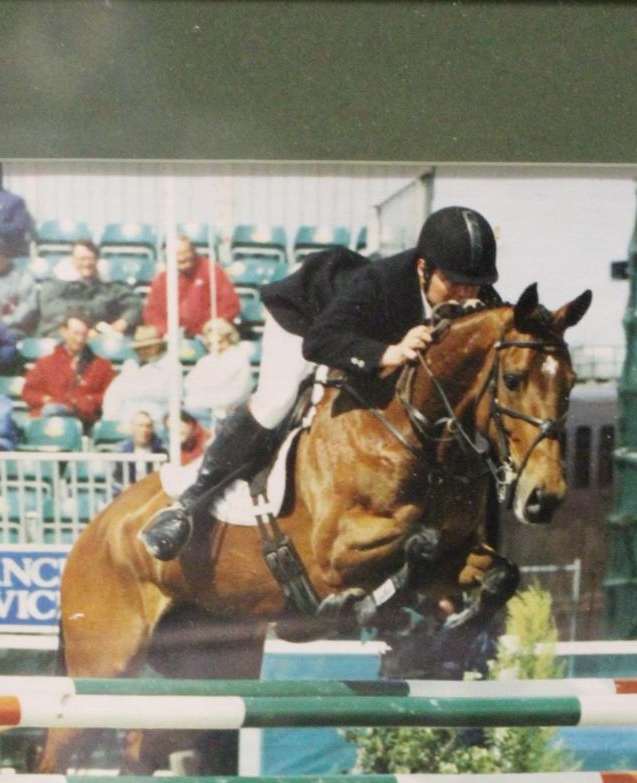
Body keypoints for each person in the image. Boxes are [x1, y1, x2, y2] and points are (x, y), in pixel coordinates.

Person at [141, 205, 500, 560]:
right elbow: (319, 342)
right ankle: (190, 502)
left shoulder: (472, 294)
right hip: (306, 319)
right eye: (453, 283)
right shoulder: (382, 284)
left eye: (475, 286)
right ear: (424, 268)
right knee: (277, 400)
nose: (465, 296)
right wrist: (387, 353)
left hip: (360, 334)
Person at [21, 313, 115, 427]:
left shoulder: (101, 365)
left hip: (83, 420)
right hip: (49, 419)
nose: (80, 339)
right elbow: (29, 392)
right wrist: (47, 400)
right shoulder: (45, 363)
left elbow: (111, 395)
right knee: (52, 410)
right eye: (75, 334)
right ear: (64, 332)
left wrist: (87, 401)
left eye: (84, 335)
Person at [143, 234, 241, 340]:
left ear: (193, 251)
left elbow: (230, 305)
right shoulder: (163, 278)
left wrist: (206, 327)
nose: (182, 257)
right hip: (171, 336)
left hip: (207, 334)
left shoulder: (211, 271)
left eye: (185, 252)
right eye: (177, 255)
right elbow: (152, 312)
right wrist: (165, 330)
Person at [40, 238, 141, 336]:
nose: (87, 263)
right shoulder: (56, 283)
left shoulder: (108, 285)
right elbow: (49, 309)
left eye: (91, 259)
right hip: (62, 333)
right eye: (82, 259)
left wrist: (124, 322)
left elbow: (134, 304)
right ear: (73, 260)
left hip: (99, 335)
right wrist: (73, 320)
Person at [101, 322, 182, 424]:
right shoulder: (130, 365)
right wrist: (111, 419)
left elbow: (173, 400)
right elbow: (113, 394)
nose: (143, 351)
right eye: (139, 348)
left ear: (158, 346)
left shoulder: (170, 365)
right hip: (125, 420)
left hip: (156, 421)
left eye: (148, 347)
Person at [183, 318, 253, 422]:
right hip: (204, 408)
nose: (216, 347)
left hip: (230, 411)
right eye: (211, 344)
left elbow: (239, 392)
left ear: (229, 339)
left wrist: (207, 400)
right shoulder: (205, 360)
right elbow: (189, 384)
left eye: (220, 342)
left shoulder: (239, 358)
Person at [0, 234, 40, 335]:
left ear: (4, 257)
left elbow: (27, 308)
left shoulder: (22, 278)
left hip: (11, 329)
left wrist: (2, 322)